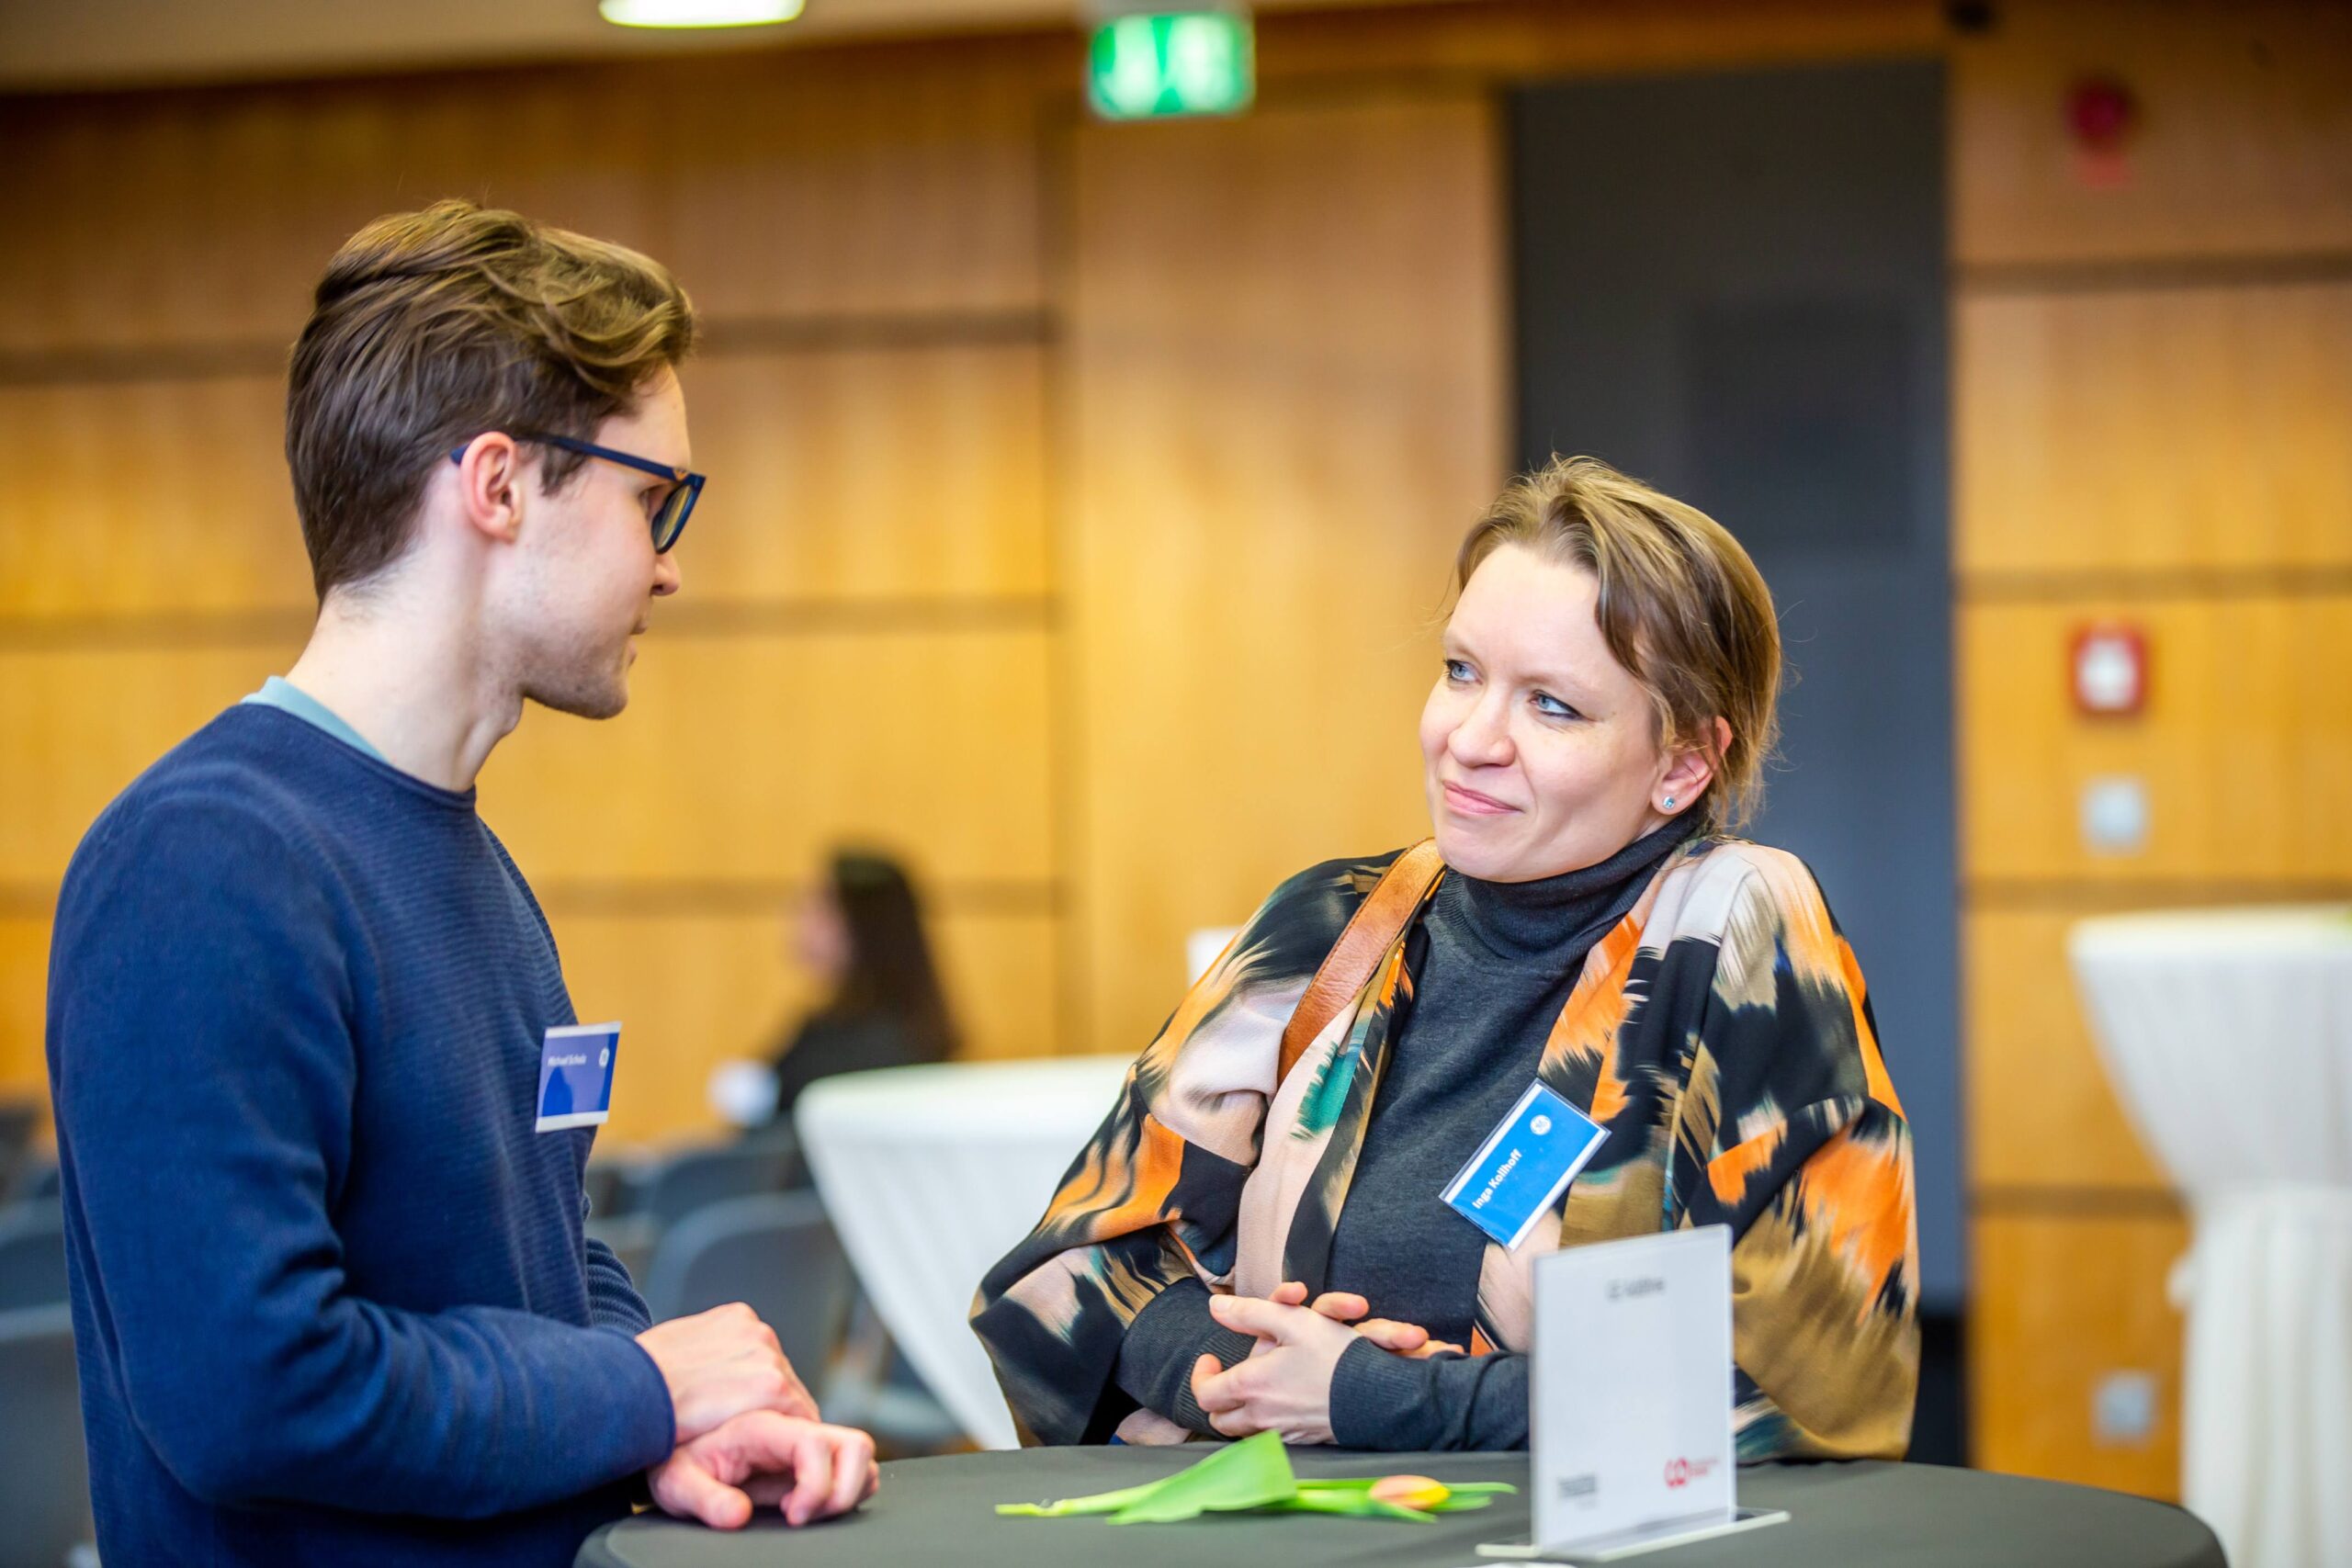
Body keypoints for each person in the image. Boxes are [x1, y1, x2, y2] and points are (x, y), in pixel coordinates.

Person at [45, 200, 876, 1567]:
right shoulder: (203, 860)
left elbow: (543, 1255)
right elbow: (249, 1389)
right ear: (495, 485)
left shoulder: (470, 859)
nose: (670, 564)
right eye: (650, 495)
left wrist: (664, 1422)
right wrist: (644, 1387)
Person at [973, 457, 1917, 1458]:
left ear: (1682, 764)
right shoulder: (1333, 923)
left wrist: (1369, 1394)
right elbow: (1064, 1273)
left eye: (1551, 705)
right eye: (1461, 671)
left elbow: (1808, 1374)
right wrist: (1252, 1374)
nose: (1469, 738)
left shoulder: (1730, 930)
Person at [765, 850, 958, 1124]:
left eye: (820, 905)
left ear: (866, 923)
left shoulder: (865, 1051)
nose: (801, 915)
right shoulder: (838, 1028)